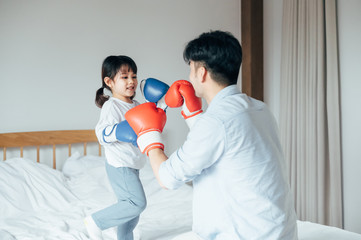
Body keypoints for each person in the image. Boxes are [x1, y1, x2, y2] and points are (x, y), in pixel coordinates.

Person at [125, 30, 298, 240]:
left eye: (191, 70)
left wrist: (149, 136)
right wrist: (193, 115)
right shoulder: (260, 109)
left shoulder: (215, 122)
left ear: (201, 73)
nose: (190, 76)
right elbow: (223, 146)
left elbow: (167, 178)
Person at [84, 55, 147, 240]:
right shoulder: (111, 106)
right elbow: (101, 133)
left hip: (133, 162)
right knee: (136, 203)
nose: (131, 81)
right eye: (125, 77)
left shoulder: (136, 105)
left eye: (134, 76)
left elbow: (148, 124)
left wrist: (162, 105)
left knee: (131, 212)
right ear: (109, 81)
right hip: (119, 165)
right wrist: (119, 131)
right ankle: (96, 221)